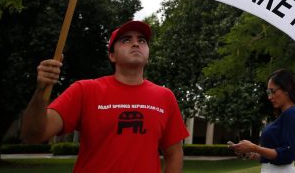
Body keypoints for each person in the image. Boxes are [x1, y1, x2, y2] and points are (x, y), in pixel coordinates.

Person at [20, 20, 189, 173]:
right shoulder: (84, 90)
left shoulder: (165, 96)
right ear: (112, 55)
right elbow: (32, 135)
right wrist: (41, 92)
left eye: (142, 40)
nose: (136, 44)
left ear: (148, 55)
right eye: (126, 40)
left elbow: (174, 153)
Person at [230, 69, 295, 172]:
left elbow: (287, 154)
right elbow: (276, 157)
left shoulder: (292, 114)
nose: (269, 97)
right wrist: (250, 153)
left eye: (273, 91)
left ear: (287, 89)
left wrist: (254, 147)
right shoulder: (285, 115)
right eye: (268, 92)